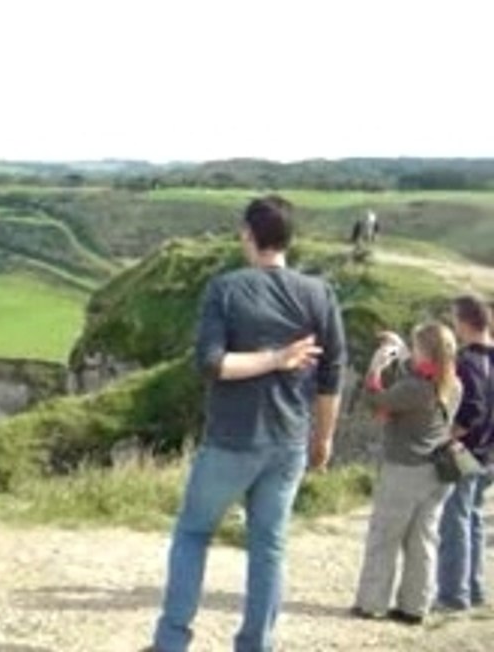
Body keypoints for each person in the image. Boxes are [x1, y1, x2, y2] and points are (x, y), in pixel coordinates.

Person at [145, 195, 347, 652]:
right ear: (289, 239)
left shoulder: (227, 288)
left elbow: (214, 364)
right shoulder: (320, 294)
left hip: (233, 438)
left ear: (247, 235)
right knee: (269, 547)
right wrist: (324, 439)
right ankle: (256, 645)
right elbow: (332, 377)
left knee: (194, 533)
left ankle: (171, 641)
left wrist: (274, 358)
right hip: (289, 441)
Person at [351, 322, 461, 624]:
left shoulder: (416, 388)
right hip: (437, 472)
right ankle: (415, 607)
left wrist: (375, 367)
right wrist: (400, 351)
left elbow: (377, 400)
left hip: (404, 470)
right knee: (422, 541)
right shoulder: (452, 383)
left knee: (384, 537)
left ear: (424, 352)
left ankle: (372, 603)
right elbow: (415, 375)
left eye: (414, 347)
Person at [436, 295, 494, 610]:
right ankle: (473, 588)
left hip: (463, 451)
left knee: (453, 520)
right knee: (471, 517)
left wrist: (444, 437)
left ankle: (452, 594)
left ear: (464, 321)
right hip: (488, 454)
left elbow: (471, 410)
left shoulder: (467, 361)